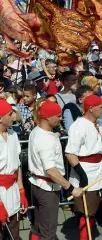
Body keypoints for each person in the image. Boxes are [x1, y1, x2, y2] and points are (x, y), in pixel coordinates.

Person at [28, 101, 83, 240]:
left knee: (38, 226)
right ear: (47, 118)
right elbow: (51, 171)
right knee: (48, 232)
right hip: (47, 189)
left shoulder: (37, 131)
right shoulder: (45, 139)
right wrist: (71, 188)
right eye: (58, 116)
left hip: (37, 184)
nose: (61, 118)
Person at [65, 95, 102, 240]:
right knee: (85, 211)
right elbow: (70, 153)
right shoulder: (79, 125)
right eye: (100, 107)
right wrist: (82, 174)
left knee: (92, 210)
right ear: (90, 108)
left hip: (98, 170)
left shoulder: (100, 123)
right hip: (85, 170)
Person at [0, 99, 28, 240]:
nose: (14, 117)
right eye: (10, 114)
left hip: (13, 192)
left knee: (14, 233)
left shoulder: (13, 135)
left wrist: (21, 191)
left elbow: (17, 166)